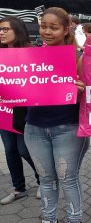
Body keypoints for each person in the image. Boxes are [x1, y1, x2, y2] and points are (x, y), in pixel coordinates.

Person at [24, 7, 90, 223]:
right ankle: (48, 219)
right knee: (45, 179)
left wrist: (82, 88)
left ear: (65, 29)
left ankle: (74, 219)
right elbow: (19, 85)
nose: (47, 31)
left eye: (54, 27)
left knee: (68, 179)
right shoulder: (29, 55)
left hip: (67, 127)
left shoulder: (78, 56)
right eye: (44, 26)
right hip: (34, 127)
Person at [0, 16, 40, 205]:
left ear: (18, 30)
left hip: (24, 111)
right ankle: (19, 189)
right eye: (0, 29)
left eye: (6, 29)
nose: (1, 32)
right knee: (10, 151)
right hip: (4, 110)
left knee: (24, 150)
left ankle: (44, 180)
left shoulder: (31, 53)